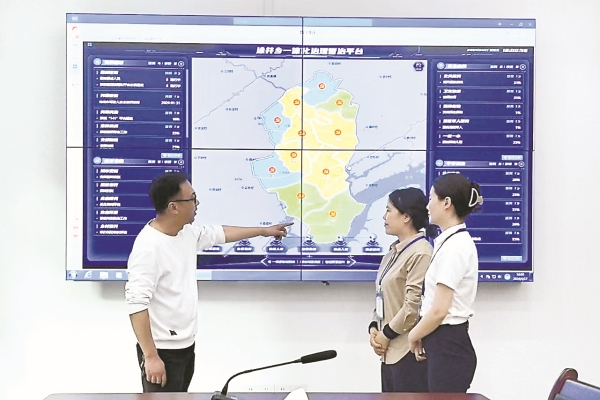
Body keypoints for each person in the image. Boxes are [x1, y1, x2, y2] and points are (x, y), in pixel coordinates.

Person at [125, 172, 292, 393]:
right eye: (192, 199)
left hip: (186, 345)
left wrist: (263, 231)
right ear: (174, 207)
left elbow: (220, 233)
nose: (197, 204)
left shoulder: (185, 233)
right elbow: (136, 303)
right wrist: (151, 356)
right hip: (162, 351)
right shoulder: (148, 247)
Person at [407, 172, 483, 393]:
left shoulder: (455, 247)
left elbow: (440, 310)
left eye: (431, 198)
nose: (427, 206)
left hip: (449, 346)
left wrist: (413, 335)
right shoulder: (449, 242)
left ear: (446, 203)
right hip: (441, 342)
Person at [368, 187, 433, 393]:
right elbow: (382, 295)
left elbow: (412, 307)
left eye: (389, 210)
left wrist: (385, 335)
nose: (384, 217)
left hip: (407, 352)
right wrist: (374, 328)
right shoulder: (392, 253)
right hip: (388, 352)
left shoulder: (421, 252)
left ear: (406, 216)